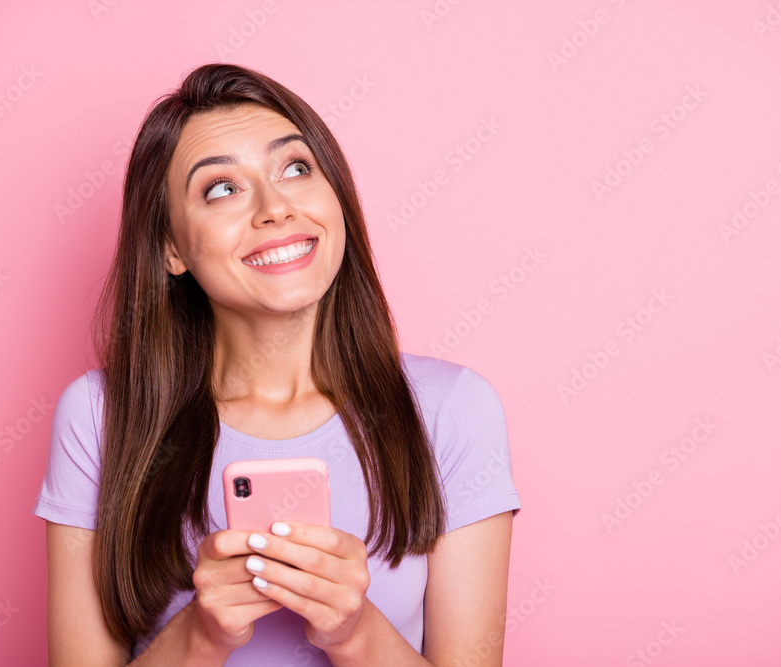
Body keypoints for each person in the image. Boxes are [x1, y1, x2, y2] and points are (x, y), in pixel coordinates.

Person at [34, 63, 521, 665]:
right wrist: (201, 634)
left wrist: (355, 633)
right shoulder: (101, 416)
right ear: (171, 247)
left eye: (295, 168)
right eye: (222, 188)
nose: (274, 208)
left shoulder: (453, 409)